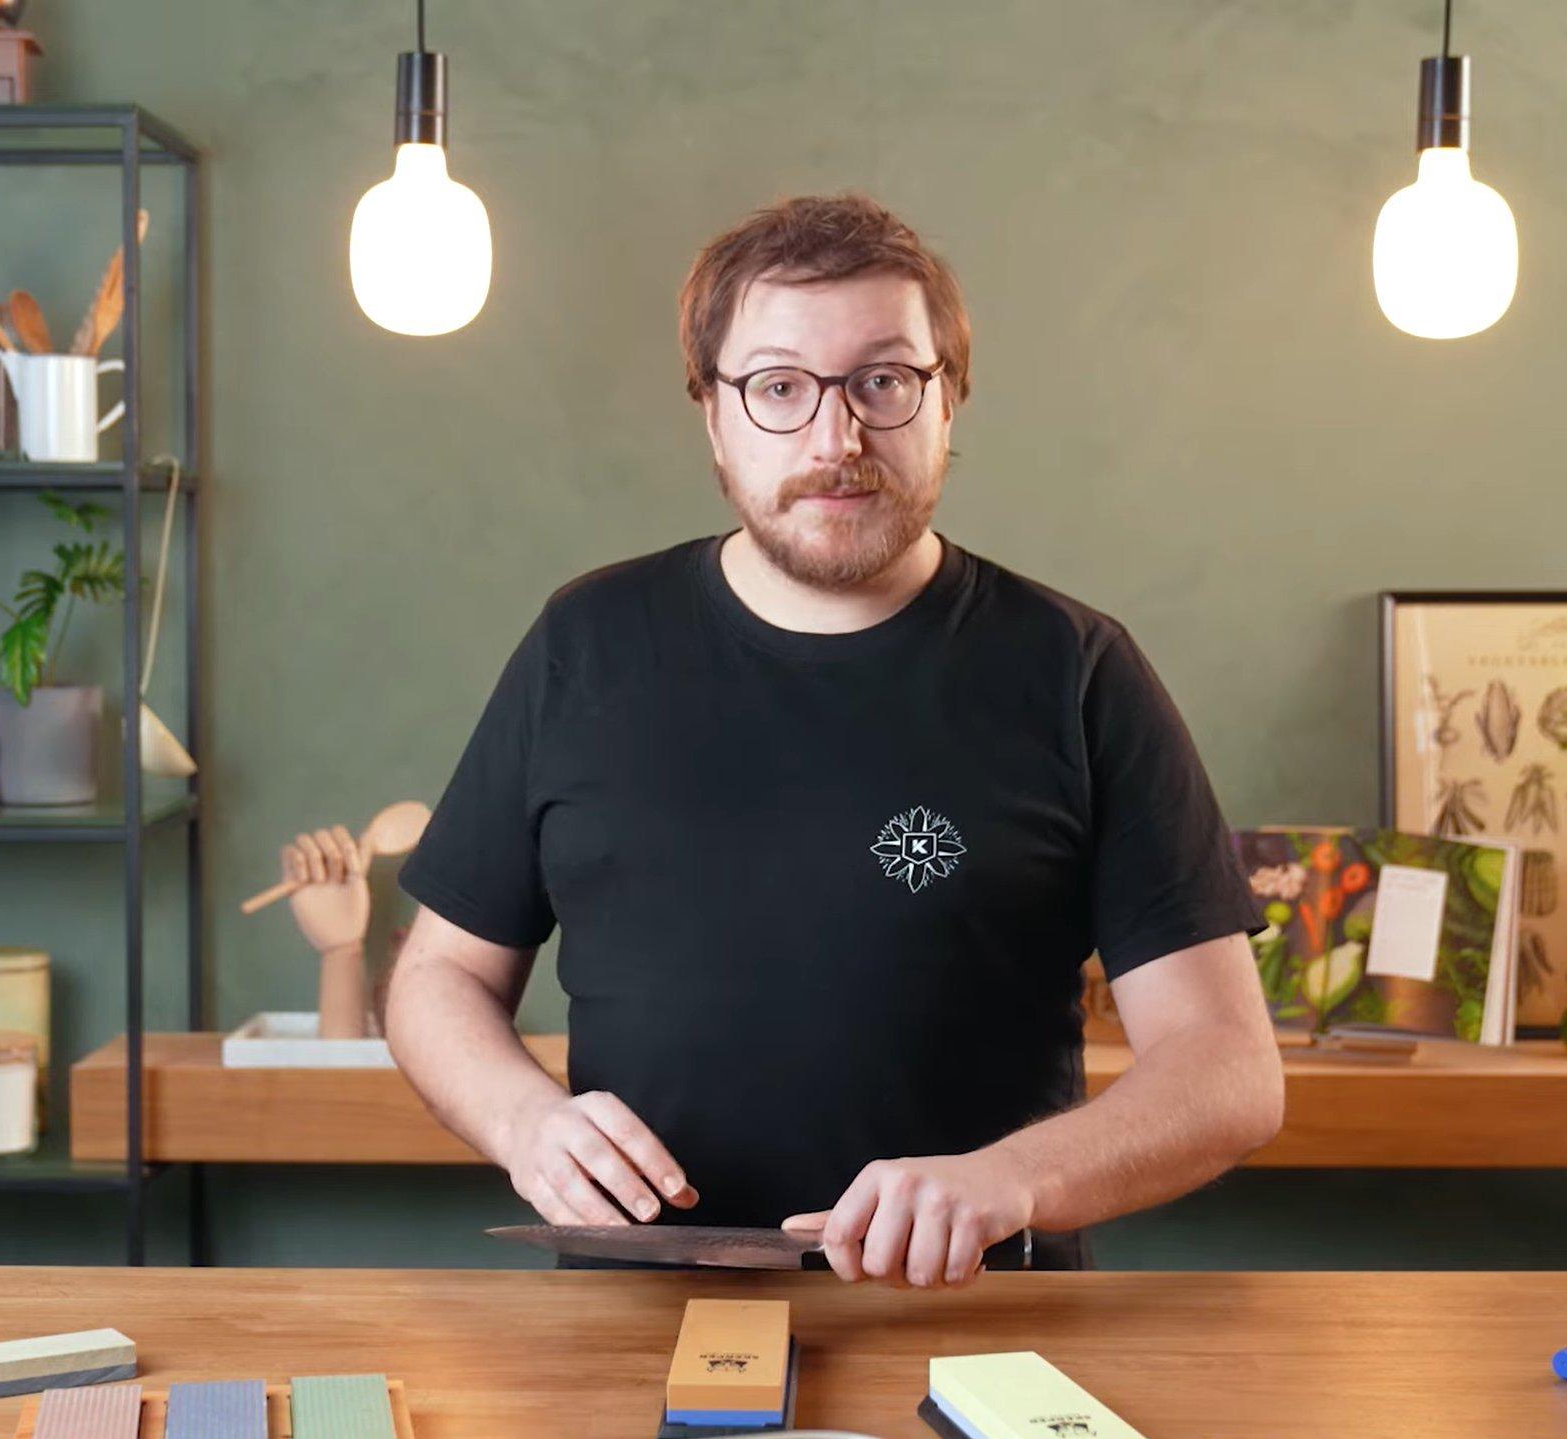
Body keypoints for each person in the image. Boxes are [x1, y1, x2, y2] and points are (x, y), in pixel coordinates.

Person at [359, 192, 1282, 1288]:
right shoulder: (586, 643)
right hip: (634, 1325)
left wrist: (1014, 1177)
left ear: (950, 400)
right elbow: (438, 977)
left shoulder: (1076, 668)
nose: (835, 438)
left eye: (883, 381)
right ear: (714, 414)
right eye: (779, 387)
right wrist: (523, 1122)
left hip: (972, 1328)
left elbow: (1226, 1069)